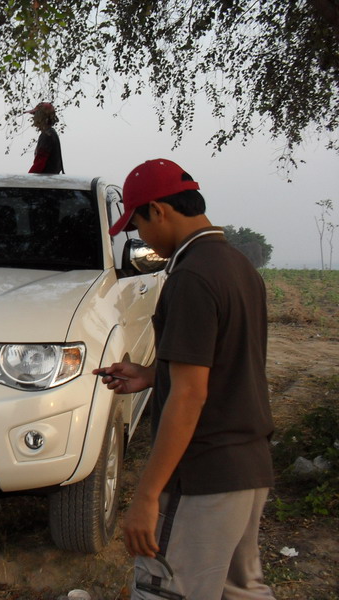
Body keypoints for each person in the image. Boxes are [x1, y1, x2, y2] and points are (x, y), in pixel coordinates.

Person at [96, 159, 275, 599]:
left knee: (166, 589)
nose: (140, 238)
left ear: (158, 210)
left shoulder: (191, 276)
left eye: (137, 224)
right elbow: (227, 363)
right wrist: (155, 375)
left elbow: (191, 396)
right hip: (248, 469)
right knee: (240, 591)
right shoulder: (238, 267)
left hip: (203, 475)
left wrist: (147, 495)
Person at [25, 101, 64, 174]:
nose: (34, 119)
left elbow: (39, 163)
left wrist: (28, 181)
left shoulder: (47, 135)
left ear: (41, 116)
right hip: (51, 180)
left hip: (46, 182)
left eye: (35, 115)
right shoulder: (52, 133)